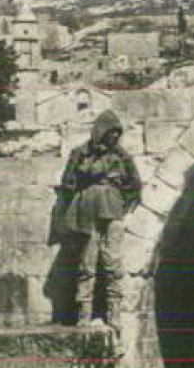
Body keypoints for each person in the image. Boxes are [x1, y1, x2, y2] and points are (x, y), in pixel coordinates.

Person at [60, 109, 140, 331]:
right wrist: (83, 195)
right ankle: (84, 315)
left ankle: (114, 314)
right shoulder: (81, 153)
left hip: (113, 212)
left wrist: (122, 205)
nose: (114, 137)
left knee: (113, 262)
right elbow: (67, 183)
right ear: (101, 131)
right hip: (87, 213)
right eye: (111, 132)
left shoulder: (122, 156)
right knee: (87, 263)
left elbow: (135, 186)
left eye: (117, 133)